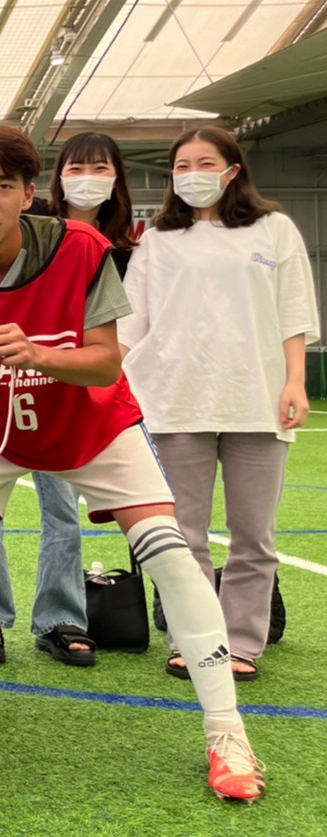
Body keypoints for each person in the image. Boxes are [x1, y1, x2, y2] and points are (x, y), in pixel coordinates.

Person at [0, 122, 263, 802]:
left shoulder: (81, 248)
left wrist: (37, 352)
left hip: (92, 426)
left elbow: (104, 364)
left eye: (3, 186)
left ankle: (227, 733)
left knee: (171, 557)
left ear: (28, 193)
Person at [119, 126, 318, 684]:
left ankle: (243, 642)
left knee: (255, 537)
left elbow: (294, 311)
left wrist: (295, 382)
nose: (191, 175)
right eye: (181, 166)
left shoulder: (273, 228)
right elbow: (131, 321)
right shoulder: (158, 239)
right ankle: (196, 641)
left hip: (257, 400)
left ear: (234, 170)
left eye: (204, 163)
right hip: (174, 400)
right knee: (184, 537)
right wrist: (104, 381)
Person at [0, 131, 138, 667]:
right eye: (77, 168)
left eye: (100, 168)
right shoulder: (25, 230)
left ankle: (60, 617)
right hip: (4, 392)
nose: (87, 179)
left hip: (78, 397)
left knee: (63, 510)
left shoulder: (122, 244)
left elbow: (109, 347)